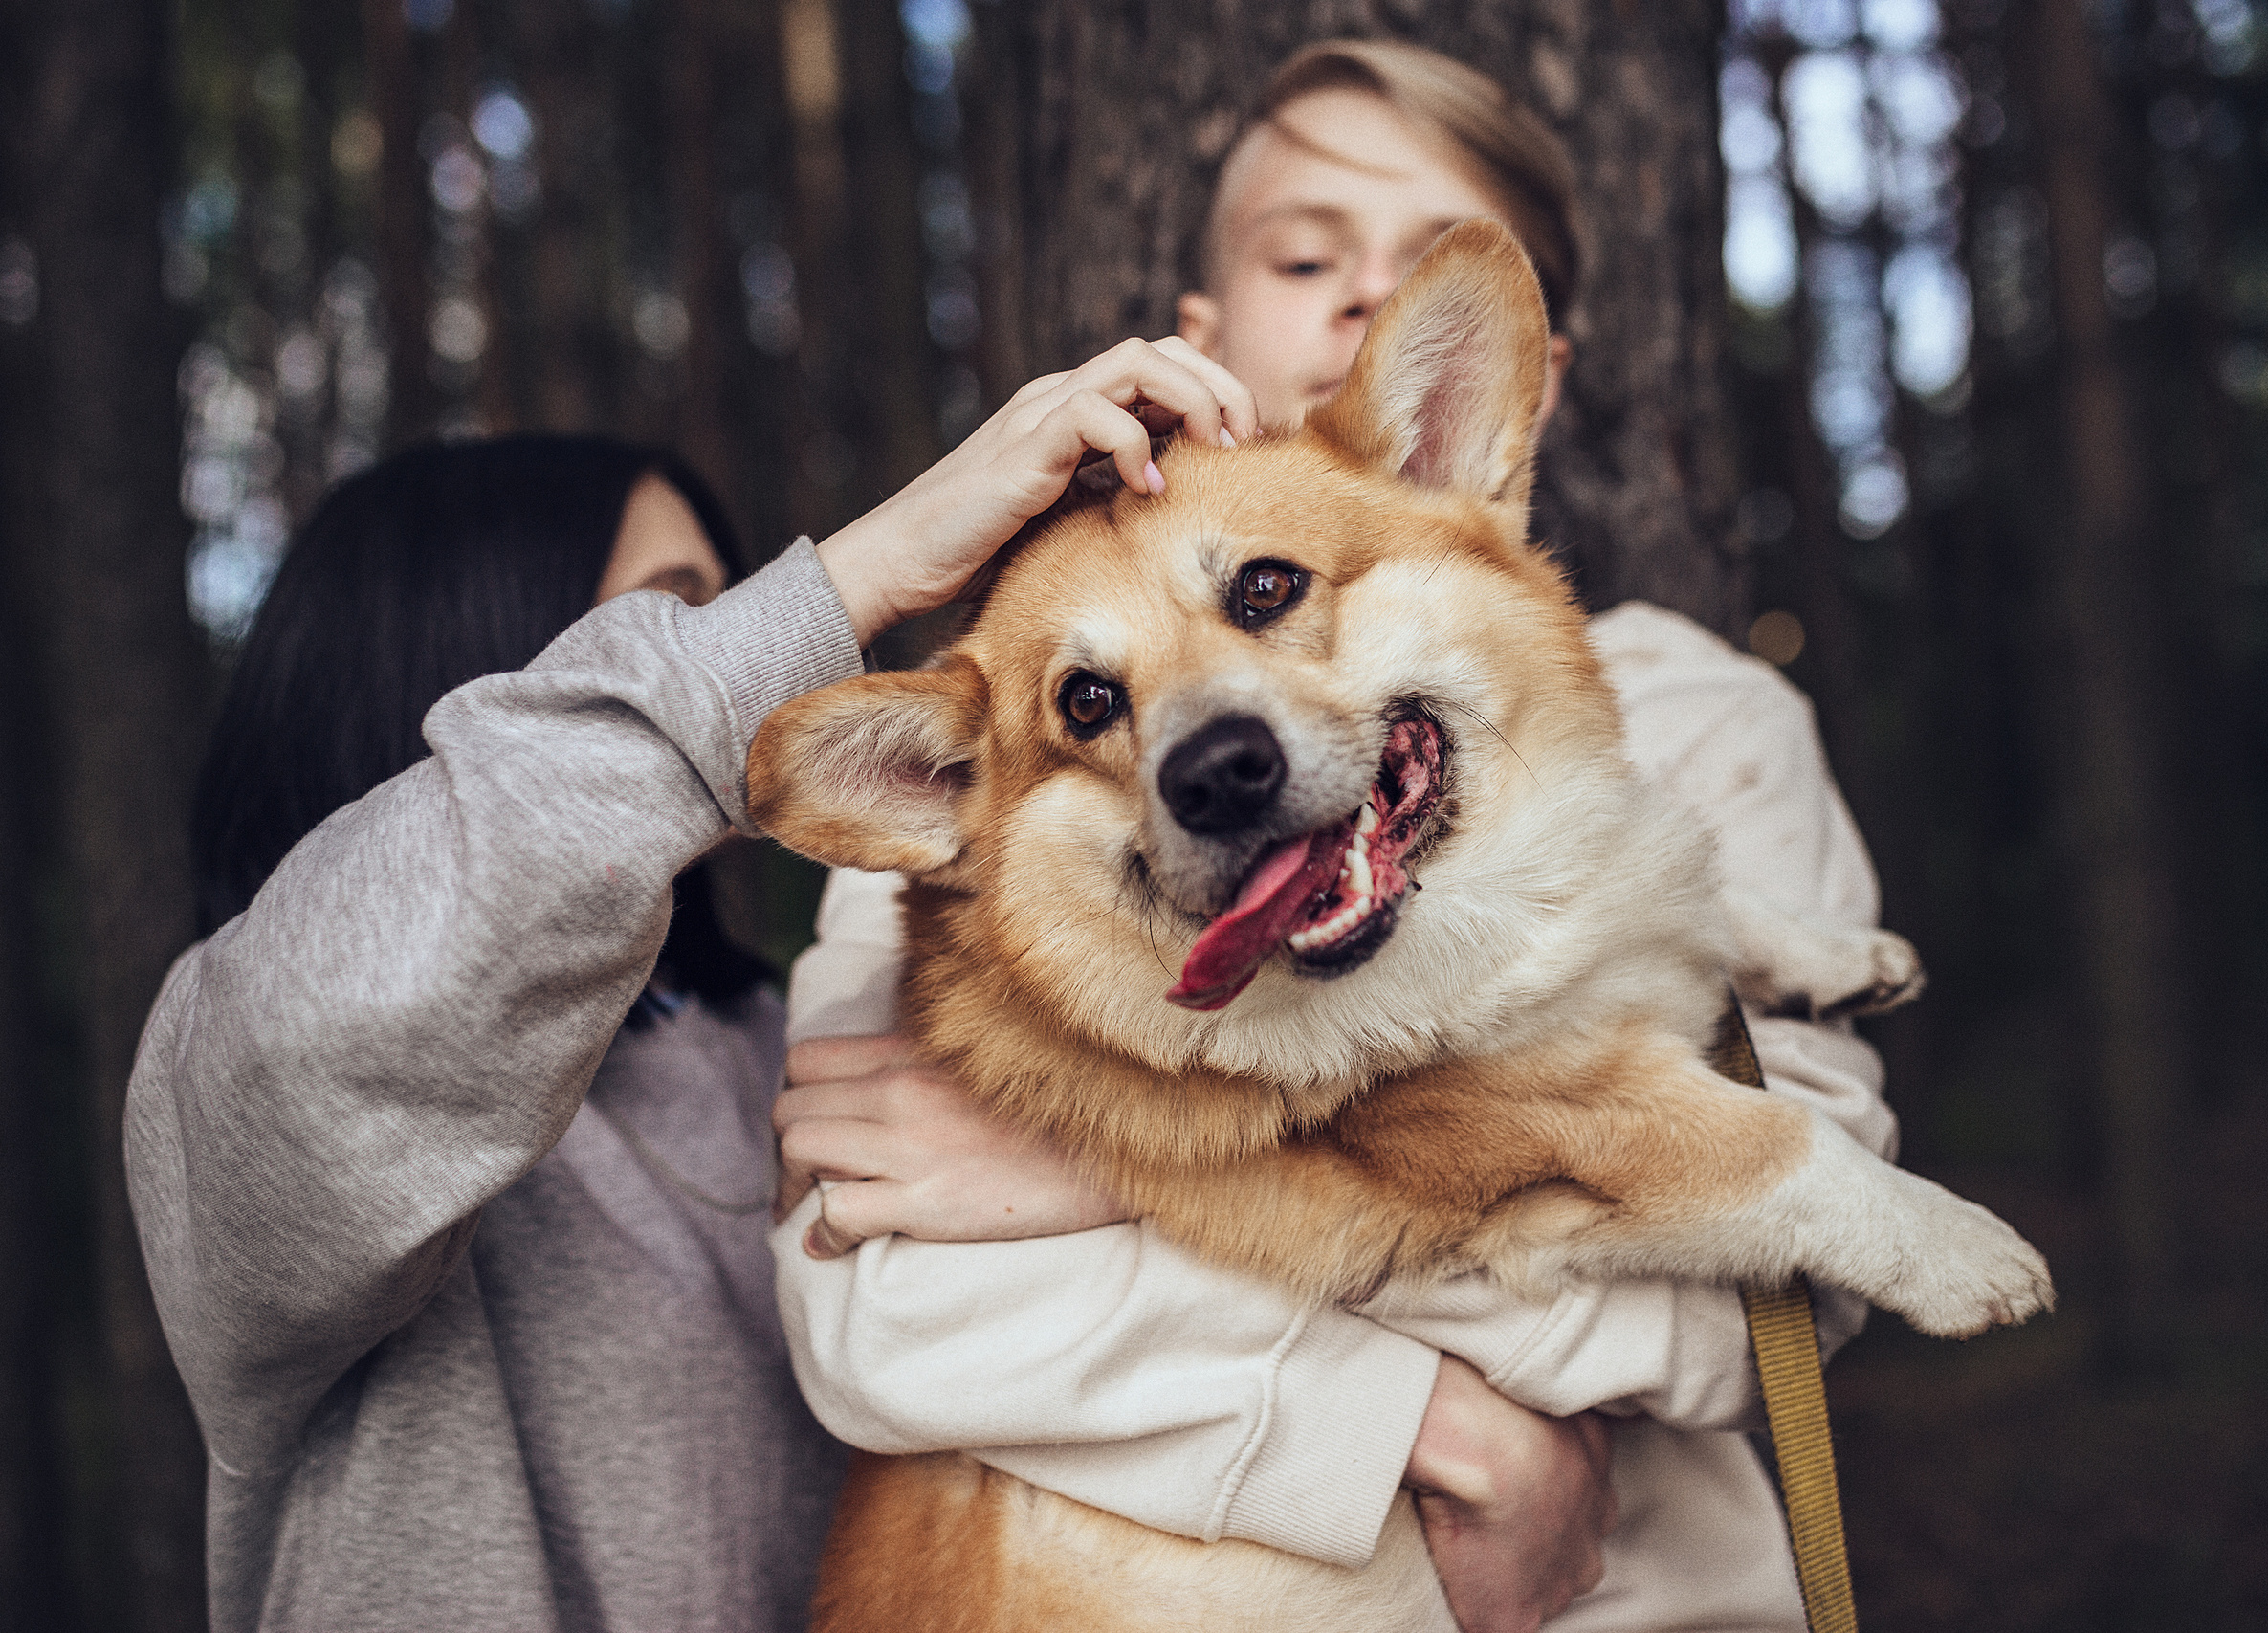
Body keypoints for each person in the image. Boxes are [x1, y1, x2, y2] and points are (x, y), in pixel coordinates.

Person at [769, 39, 1901, 1633]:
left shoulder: (1711, 722)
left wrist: (1120, 1173)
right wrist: (1437, 1431)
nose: (1369, 295)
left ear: (1507, 384)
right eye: (1306, 258)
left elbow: (1785, 1278)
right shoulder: (1015, 806)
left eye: (1416, 261)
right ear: (1201, 334)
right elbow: (876, 1320)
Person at [125, 346, 1261, 1633]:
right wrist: (869, 565)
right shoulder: (235, 1060)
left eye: (732, 615)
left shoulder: (787, 1031)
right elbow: (331, 1023)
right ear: (455, 673)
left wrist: (1105, 1177)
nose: (778, 670)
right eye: (677, 623)